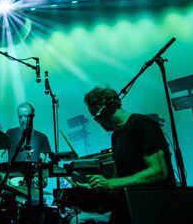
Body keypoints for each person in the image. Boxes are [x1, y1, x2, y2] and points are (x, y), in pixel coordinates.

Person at [71, 86, 176, 223]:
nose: (97, 122)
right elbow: (118, 178)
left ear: (104, 110)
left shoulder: (142, 125)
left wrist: (111, 183)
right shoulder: (117, 135)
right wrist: (96, 188)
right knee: (79, 220)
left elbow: (159, 171)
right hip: (130, 203)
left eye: (95, 117)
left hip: (152, 206)